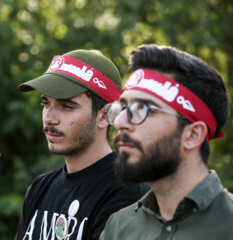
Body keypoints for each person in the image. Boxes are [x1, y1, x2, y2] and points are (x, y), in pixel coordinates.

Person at [100, 44, 233, 240]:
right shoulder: (119, 227)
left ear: (193, 135)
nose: (120, 122)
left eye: (143, 109)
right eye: (123, 107)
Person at [15, 49, 149, 240]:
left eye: (66, 106)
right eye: (46, 103)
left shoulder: (127, 193)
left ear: (105, 115)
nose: (49, 118)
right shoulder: (40, 188)